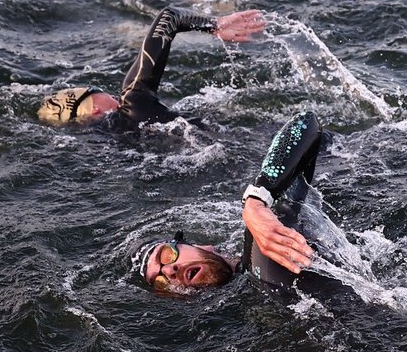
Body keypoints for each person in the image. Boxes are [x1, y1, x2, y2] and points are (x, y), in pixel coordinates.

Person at [137, 111, 322, 292]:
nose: (170, 271)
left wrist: (256, 201)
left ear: (193, 244)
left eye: (167, 256)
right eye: (160, 281)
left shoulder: (266, 247)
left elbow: (305, 122)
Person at [37, 5, 266, 131]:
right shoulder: (132, 102)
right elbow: (169, 17)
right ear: (94, 108)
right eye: (93, 90)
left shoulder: (111, 139)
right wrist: (214, 26)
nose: (104, 91)